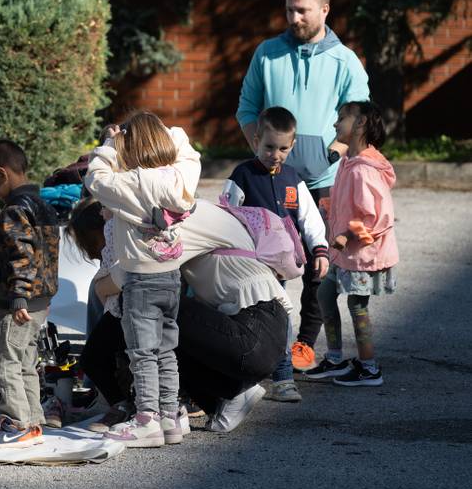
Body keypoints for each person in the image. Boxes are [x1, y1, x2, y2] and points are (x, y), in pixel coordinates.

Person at [235, 0, 370, 371]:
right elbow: (247, 108)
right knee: (261, 258)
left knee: (319, 264)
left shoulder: (343, 59)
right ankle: (263, 339)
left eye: (302, 10)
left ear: (324, 10)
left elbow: (360, 115)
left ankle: (305, 344)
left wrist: (335, 152)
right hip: (271, 180)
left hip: (324, 181)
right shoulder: (267, 53)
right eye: (289, 8)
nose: (293, 17)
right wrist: (261, 155)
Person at [68, 197, 289, 434]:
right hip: (256, 333)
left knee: (144, 301)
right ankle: (228, 395)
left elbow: (131, 274)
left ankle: (146, 410)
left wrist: (100, 288)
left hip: (255, 329)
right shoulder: (178, 210)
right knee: (157, 327)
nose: (106, 213)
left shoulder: (174, 219)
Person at [84, 111, 201, 447]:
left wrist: (110, 143)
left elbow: (95, 177)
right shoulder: (182, 176)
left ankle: (146, 419)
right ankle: (169, 417)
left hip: (139, 279)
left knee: (142, 352)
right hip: (171, 277)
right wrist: (165, 131)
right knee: (167, 349)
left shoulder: (131, 182)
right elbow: (188, 149)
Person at [222, 106, 329, 402]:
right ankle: (239, 382)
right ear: (256, 139)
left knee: (280, 317)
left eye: (283, 148)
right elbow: (226, 215)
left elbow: (309, 219)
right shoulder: (242, 175)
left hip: (280, 268)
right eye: (269, 146)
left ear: (292, 146)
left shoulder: (293, 179)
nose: (275, 154)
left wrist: (320, 250)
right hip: (248, 266)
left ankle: (282, 379)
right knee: (243, 318)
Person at [305, 101, 398, 386]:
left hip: (361, 253)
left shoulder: (364, 170)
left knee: (357, 305)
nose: (335, 124)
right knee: (324, 295)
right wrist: (330, 208)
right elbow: (352, 203)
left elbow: (376, 217)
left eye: (342, 118)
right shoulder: (348, 162)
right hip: (343, 253)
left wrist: (347, 233)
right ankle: (335, 358)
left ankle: (369, 368)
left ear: (360, 124)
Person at [0, 139, 60, 448]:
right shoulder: (44, 205)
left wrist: (19, 296)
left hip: (17, 303)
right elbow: (46, 256)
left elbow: (22, 256)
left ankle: (16, 423)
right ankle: (33, 420)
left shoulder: (14, 211)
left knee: (4, 361)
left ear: (2, 174)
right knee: (26, 361)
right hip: (39, 300)